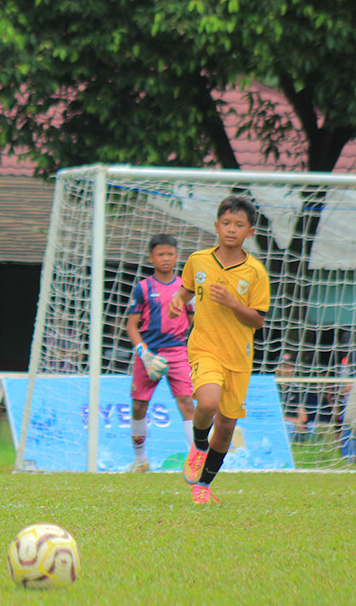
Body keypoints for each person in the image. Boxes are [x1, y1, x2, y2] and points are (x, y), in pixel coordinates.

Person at [168, 195, 270, 504]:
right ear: (216, 226)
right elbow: (188, 288)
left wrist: (232, 303)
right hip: (204, 348)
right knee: (208, 403)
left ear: (249, 232)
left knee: (226, 427)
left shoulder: (255, 272)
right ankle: (199, 446)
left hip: (238, 357)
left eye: (239, 225)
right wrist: (177, 301)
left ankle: (204, 485)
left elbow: (257, 320)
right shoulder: (199, 260)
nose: (231, 229)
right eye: (226, 223)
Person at [125, 234, 195, 473]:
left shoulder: (186, 288)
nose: (166, 258)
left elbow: (195, 322)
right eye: (160, 254)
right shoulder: (143, 288)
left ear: (176, 256)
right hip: (148, 354)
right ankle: (140, 460)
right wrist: (144, 353)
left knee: (187, 402)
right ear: (151, 258)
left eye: (170, 254)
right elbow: (131, 326)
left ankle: (198, 460)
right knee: (138, 407)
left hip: (177, 352)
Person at [275, 352, 310, 441]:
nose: (288, 370)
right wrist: (294, 421)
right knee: (288, 425)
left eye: (290, 367)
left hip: (294, 425)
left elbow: (303, 418)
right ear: (277, 368)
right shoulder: (270, 387)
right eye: (285, 367)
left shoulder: (296, 388)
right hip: (276, 423)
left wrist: (297, 423)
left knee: (314, 427)